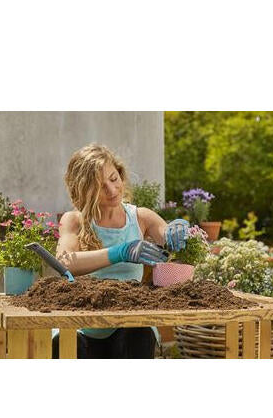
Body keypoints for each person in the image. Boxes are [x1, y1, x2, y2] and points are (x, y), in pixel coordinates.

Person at [51, 143, 188, 359]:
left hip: (129, 322)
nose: (112, 190)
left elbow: (168, 237)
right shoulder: (74, 220)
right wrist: (121, 252)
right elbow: (64, 262)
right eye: (100, 186)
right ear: (85, 190)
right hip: (83, 326)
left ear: (120, 174)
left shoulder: (141, 217)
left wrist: (179, 229)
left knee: (140, 332)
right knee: (64, 342)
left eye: (113, 179)